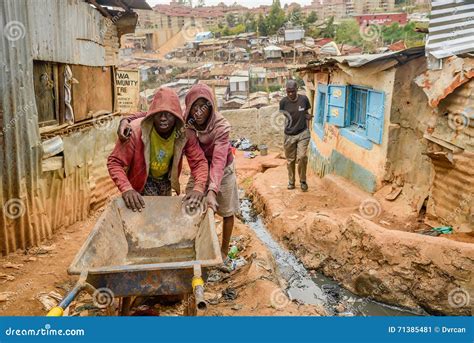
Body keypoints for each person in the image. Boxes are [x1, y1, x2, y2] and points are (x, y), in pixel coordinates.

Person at [117, 84, 239, 259]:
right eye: (195, 107)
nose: (199, 112)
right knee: (191, 203)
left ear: (211, 106)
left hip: (223, 168)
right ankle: (194, 242)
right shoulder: (184, 121)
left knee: (226, 210)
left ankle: (224, 250)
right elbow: (152, 115)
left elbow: (218, 162)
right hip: (201, 167)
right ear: (188, 107)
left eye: (204, 107)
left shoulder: (221, 126)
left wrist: (212, 190)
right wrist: (125, 120)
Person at [108, 87, 208, 211]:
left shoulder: (184, 133)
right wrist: (127, 189)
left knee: (162, 213)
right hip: (142, 180)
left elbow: (199, 162)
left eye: (169, 114)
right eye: (158, 113)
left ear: (176, 117)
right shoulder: (135, 131)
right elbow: (115, 162)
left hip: (166, 179)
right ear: (152, 115)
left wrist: (198, 188)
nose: (163, 118)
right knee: (145, 213)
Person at [279, 79, 312, 192]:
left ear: (297, 90)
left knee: (302, 157)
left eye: (292, 91)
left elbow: (306, 112)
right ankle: (291, 181)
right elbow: (284, 115)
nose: (290, 94)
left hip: (303, 132)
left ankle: (302, 181)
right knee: (290, 160)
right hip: (289, 135)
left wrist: (307, 117)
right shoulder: (283, 102)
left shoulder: (304, 99)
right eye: (288, 91)